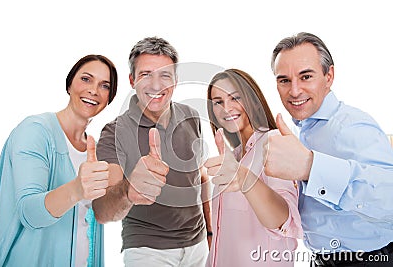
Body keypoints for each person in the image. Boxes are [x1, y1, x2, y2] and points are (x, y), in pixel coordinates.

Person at [264, 32, 393, 266]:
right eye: (284, 80)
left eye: (306, 77)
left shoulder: (352, 125)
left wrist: (310, 168)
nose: (294, 91)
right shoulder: (301, 130)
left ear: (329, 76)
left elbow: (389, 200)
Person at [92, 36, 211, 267]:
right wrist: (128, 190)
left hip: (198, 246)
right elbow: (102, 211)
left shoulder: (191, 116)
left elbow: (200, 177)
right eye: (146, 74)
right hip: (148, 251)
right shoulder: (114, 132)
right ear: (131, 80)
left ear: (176, 81)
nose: (156, 85)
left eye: (165, 75)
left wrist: (211, 232)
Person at [0, 54, 118, 266]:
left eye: (104, 86)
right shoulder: (35, 131)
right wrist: (77, 189)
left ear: (109, 99)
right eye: (86, 79)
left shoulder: (93, 151)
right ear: (69, 84)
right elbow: (30, 213)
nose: (94, 90)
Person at [204, 69, 302, 266]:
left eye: (235, 98)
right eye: (218, 102)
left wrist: (246, 180)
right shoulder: (235, 158)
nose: (226, 108)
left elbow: (284, 220)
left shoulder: (272, 143)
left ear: (252, 99)